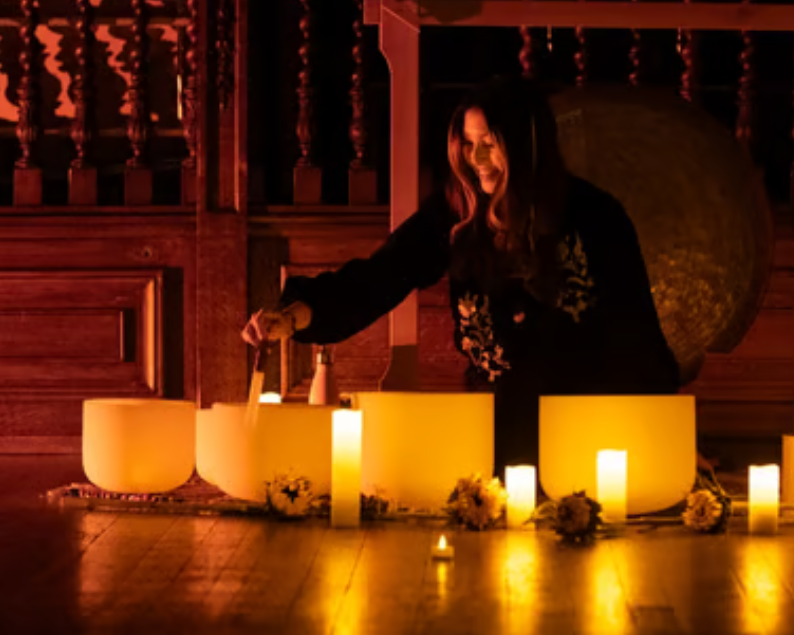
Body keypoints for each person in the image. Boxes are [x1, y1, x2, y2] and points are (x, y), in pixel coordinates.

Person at [242, 77, 679, 474]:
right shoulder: (454, 216)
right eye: (469, 144)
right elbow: (380, 277)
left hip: (588, 438)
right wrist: (295, 315)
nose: (479, 159)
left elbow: (635, 333)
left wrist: (664, 440)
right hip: (491, 440)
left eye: (490, 142)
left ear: (528, 144)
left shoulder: (594, 217)